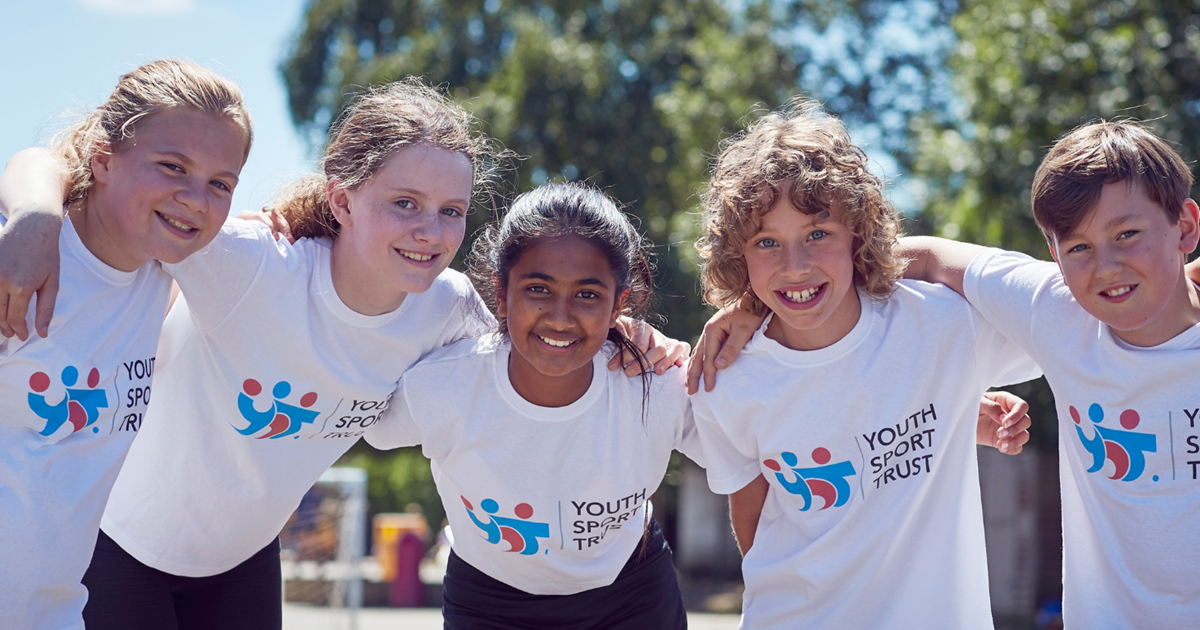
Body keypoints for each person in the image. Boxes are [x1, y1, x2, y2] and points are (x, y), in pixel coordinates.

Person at [686, 99, 1041, 629]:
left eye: (818, 234)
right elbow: (753, 517)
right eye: (767, 242)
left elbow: (1061, 303)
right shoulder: (724, 376)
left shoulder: (942, 323)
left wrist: (952, 418)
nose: (795, 266)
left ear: (859, 231)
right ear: (738, 255)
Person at [891, 120, 1200, 628]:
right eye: (1079, 247)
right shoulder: (1055, 310)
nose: (1106, 266)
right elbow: (923, 256)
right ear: (1055, 256)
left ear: (1184, 227)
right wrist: (757, 302)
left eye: (1127, 234)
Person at [366, 182, 702, 629]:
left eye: (588, 295)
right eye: (538, 289)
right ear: (502, 294)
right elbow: (353, 414)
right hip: (489, 601)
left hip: (631, 596)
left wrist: (744, 318)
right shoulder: (442, 388)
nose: (560, 317)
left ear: (618, 303)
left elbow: (759, 442)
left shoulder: (657, 386)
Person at [0, 60, 252, 630]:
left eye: (220, 183)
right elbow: (34, 164)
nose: (195, 198)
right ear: (103, 158)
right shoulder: (21, 258)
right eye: (172, 166)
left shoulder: (163, 274)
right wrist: (36, 211)